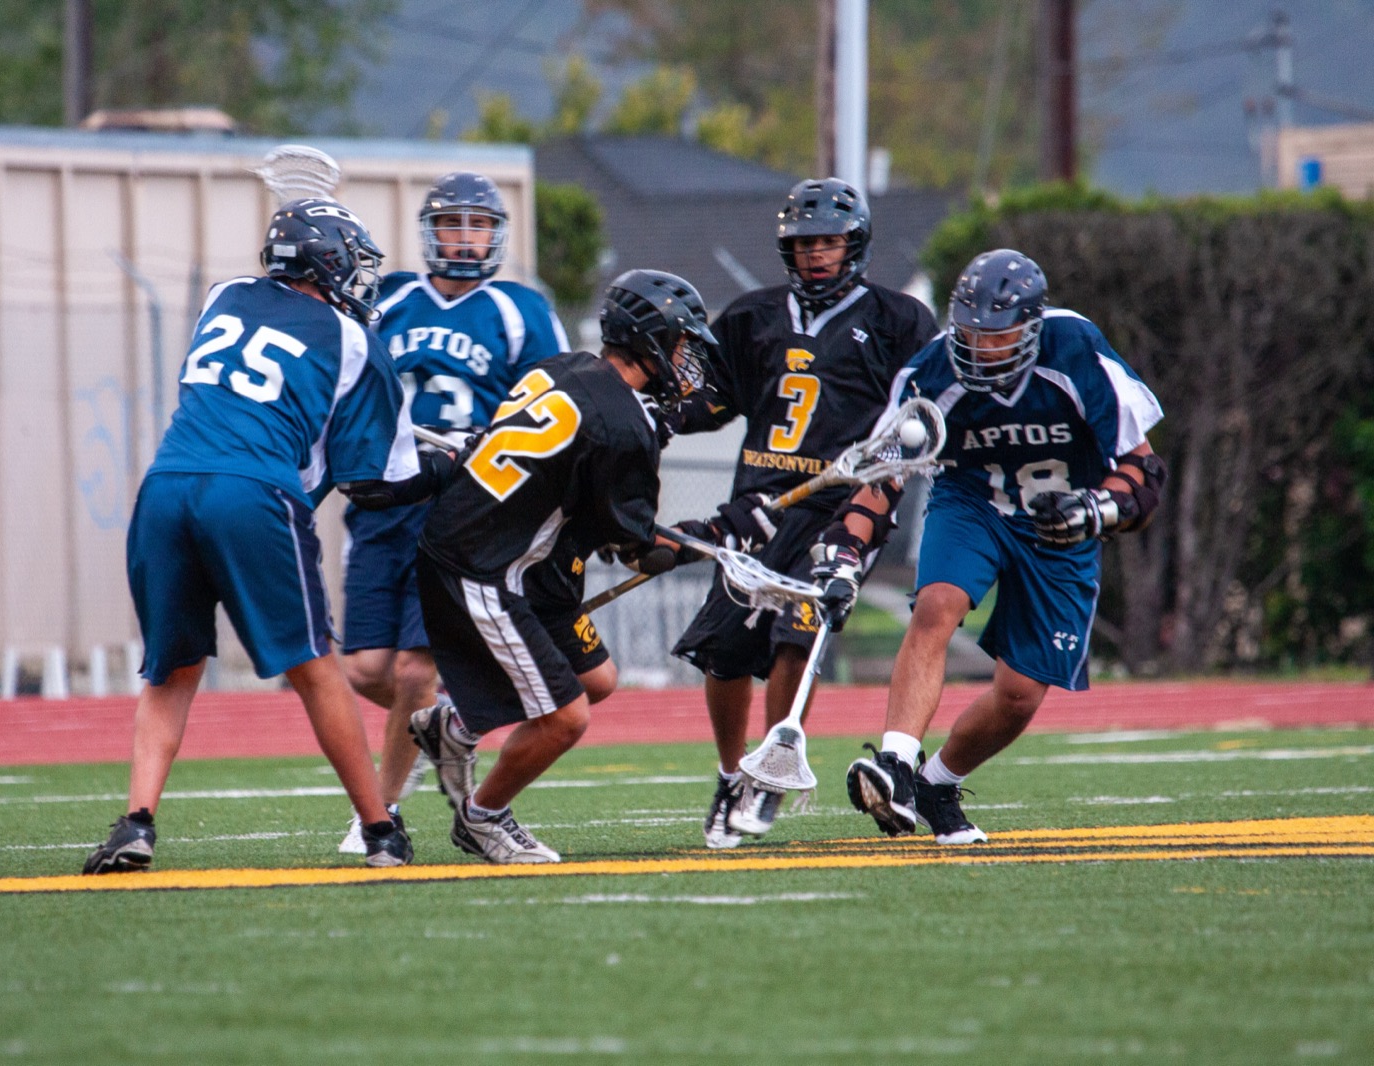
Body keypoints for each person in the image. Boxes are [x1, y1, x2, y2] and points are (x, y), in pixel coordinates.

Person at [83, 197, 418, 873]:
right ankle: (380, 830)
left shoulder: (225, 295)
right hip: (251, 489)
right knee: (316, 667)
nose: (357, 276)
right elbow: (378, 478)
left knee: (171, 671)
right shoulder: (351, 339)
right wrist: (449, 464)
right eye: (349, 261)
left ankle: (137, 822)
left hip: (167, 484)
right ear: (326, 262)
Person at [347, 269, 718, 864]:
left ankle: (456, 727)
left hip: (503, 549)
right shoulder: (624, 423)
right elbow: (627, 543)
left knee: (597, 680)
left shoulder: (565, 366)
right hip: (486, 567)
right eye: (679, 344)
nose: (685, 360)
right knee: (567, 717)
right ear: (650, 339)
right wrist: (687, 544)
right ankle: (483, 817)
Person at [845, 248, 1167, 844]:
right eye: (969, 332)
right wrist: (845, 553)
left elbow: (1144, 475)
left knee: (1019, 694)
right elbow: (882, 479)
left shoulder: (1076, 352)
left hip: (1060, 524)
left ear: (1031, 326)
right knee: (937, 605)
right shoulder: (931, 373)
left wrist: (1096, 509)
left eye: (995, 334)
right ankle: (894, 764)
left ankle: (938, 782)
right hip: (974, 504)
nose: (980, 346)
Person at [669, 177, 939, 848]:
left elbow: (924, 419)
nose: (816, 254)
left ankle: (769, 772)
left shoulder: (898, 320)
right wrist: (652, 410)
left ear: (856, 244)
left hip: (839, 509)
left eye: (829, 241)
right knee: (724, 654)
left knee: (799, 634)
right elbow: (709, 403)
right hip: (760, 504)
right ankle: (734, 774)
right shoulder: (751, 316)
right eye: (804, 243)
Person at [336, 172, 568, 853]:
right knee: (366, 671)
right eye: (450, 225)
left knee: (412, 671)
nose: (463, 239)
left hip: (459, 508)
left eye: (476, 226)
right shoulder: (389, 300)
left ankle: (378, 812)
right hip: (387, 502)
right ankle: (443, 726)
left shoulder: (521, 309)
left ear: (494, 234)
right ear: (428, 232)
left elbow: (554, 404)